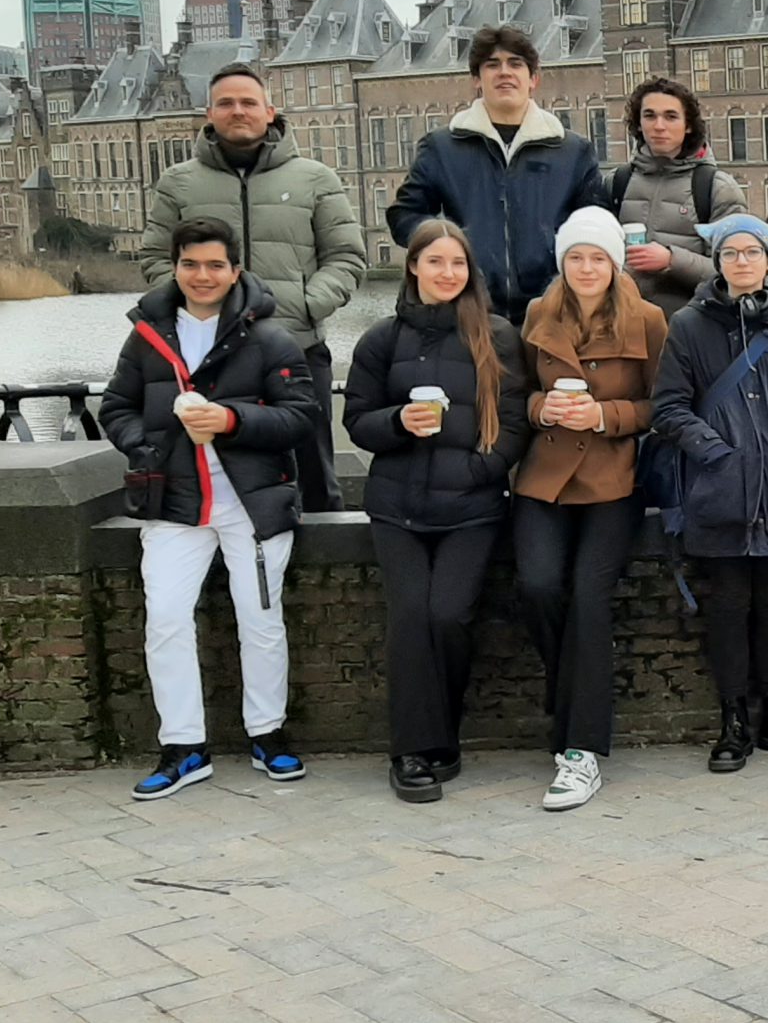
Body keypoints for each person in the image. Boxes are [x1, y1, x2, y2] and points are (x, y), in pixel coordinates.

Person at [99, 217, 322, 798]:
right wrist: (150, 447)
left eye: (215, 265)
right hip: (173, 502)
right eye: (191, 264)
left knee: (261, 621)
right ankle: (184, 746)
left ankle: (267, 733)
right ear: (175, 268)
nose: (203, 275)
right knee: (166, 621)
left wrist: (231, 420)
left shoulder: (271, 338)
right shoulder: (147, 337)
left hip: (252, 503)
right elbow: (116, 407)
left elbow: (302, 416)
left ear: (235, 270)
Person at [342, 218, 530, 803]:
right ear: (413, 267)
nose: (447, 273)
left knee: (447, 615)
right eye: (435, 262)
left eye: (457, 263)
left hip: (471, 510)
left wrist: (478, 472)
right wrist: (398, 422)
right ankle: (412, 751)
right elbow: (357, 422)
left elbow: (515, 424)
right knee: (409, 618)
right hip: (396, 508)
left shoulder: (497, 336)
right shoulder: (381, 340)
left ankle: (441, 733)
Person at [138, 62, 365, 512]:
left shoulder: (314, 178)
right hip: (209, 355)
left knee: (314, 473)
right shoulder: (178, 182)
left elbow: (346, 257)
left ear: (269, 111)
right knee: (216, 476)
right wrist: (200, 309)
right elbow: (154, 260)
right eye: (226, 103)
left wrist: (304, 306)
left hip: (296, 348)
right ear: (209, 114)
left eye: (248, 102)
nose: (237, 111)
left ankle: (323, 548)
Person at [650, 214, 768, 772]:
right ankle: (732, 717)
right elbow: (669, 406)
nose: (742, 262)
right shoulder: (688, 325)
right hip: (718, 488)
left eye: (752, 252)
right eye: (731, 253)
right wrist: (715, 452)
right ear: (718, 263)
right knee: (727, 607)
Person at [512, 207, 667, 811]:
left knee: (588, 596)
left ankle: (580, 750)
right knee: (537, 586)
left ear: (614, 263)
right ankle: (573, 692)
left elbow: (662, 404)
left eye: (597, 257)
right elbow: (517, 392)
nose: (585, 268)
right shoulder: (537, 312)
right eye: (575, 257)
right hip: (545, 479)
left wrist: (605, 416)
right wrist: (541, 409)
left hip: (612, 480)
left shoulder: (647, 319)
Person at [390, 23, 607, 325]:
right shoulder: (441, 147)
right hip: (467, 311)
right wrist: (444, 246)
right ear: (476, 80)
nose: (504, 72)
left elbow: (598, 228)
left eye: (515, 64)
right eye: (493, 65)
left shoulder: (573, 151)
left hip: (554, 313)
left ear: (533, 79)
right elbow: (404, 215)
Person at [610, 75, 745, 324]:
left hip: (690, 329)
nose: (659, 126)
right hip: (624, 327)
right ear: (638, 124)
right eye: (650, 116)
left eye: (671, 117)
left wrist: (672, 260)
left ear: (688, 125)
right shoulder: (617, 182)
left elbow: (738, 271)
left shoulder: (716, 188)